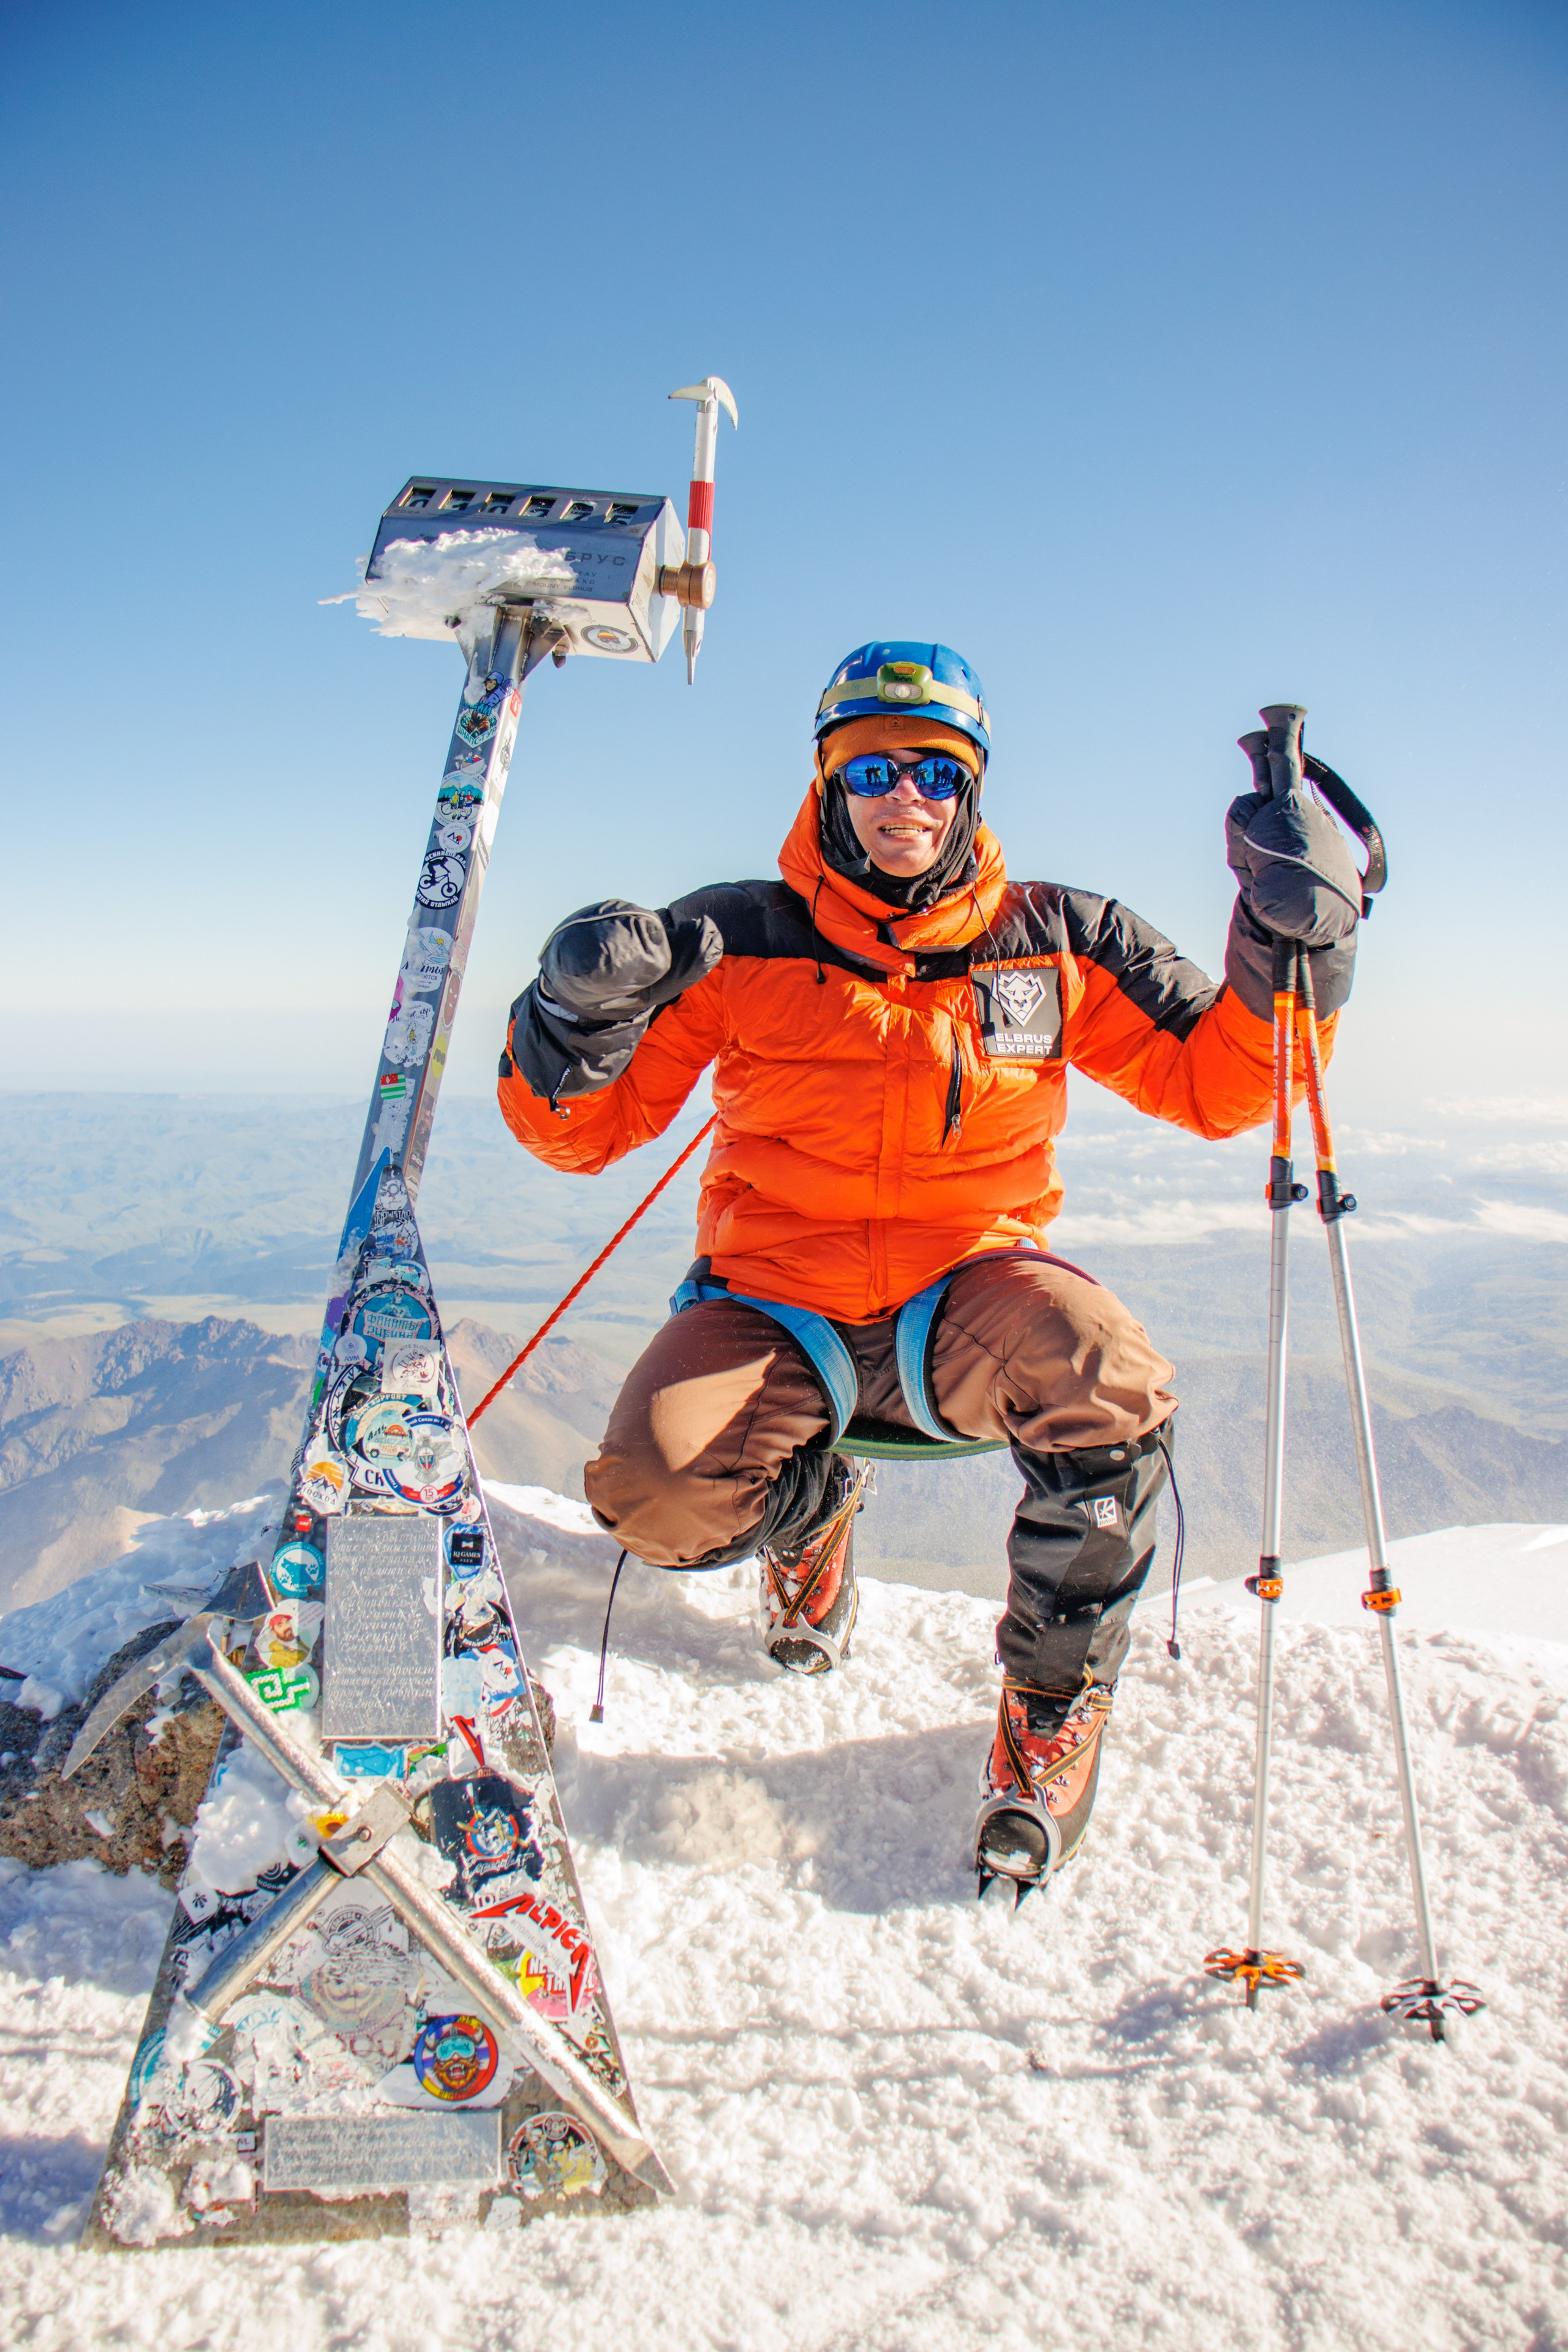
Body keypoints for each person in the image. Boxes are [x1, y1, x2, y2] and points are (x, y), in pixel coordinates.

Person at [497, 644, 1362, 1896]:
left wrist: (1298, 947)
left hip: (970, 1285)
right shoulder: (731, 937)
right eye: (873, 771)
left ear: (970, 790)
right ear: (828, 782)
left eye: (936, 774)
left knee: (1109, 1381)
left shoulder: (1058, 941)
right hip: (769, 1297)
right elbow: (574, 1134)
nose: (906, 798)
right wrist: (574, 1016)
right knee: (656, 1501)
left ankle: (1050, 1714)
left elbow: (1226, 1084)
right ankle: (815, 1512)